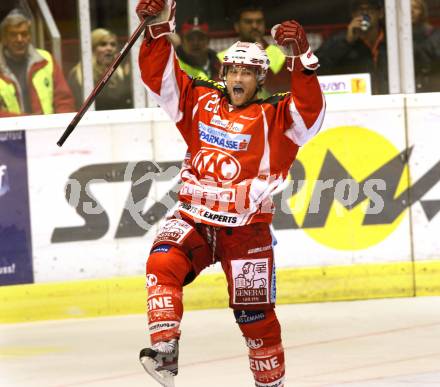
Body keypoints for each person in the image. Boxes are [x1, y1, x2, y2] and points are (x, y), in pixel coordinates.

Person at [135, 0, 325, 386]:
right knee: (162, 263)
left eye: (247, 72)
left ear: (261, 77)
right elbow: (161, 80)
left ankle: (270, 383)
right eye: (232, 69)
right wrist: (156, 28)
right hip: (195, 219)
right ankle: (165, 350)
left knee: (254, 317)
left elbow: (311, 115)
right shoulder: (202, 100)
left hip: (247, 231)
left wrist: (301, 59)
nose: (238, 76)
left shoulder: (277, 115)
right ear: (223, 72)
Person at [0, 9, 75, 117]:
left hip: (47, 130)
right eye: (13, 34)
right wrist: (27, 121)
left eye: (24, 34)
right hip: (12, 132)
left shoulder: (45, 59)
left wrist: (61, 125)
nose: (20, 39)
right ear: (4, 38)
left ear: (30, 36)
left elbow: (64, 100)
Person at [316, 0, 388, 94]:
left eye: (370, 9)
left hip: (390, 101)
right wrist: (346, 42)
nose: (365, 13)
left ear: (380, 13)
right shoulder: (341, 40)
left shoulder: (392, 40)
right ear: (353, 14)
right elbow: (315, 69)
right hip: (357, 102)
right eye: (360, 10)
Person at [218, 3, 289, 97]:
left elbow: (282, 90)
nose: (255, 26)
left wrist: (260, 53)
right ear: (237, 26)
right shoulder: (223, 57)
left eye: (259, 22)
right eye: (248, 22)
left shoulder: (280, 54)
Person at [68, 28, 132, 111]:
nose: (109, 48)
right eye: (103, 44)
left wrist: (127, 76)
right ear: (92, 48)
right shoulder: (79, 74)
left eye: (113, 44)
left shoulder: (122, 73)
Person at [173, 16, 221, 81]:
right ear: (182, 41)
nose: (195, 43)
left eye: (201, 38)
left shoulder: (220, 64)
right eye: (190, 38)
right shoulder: (175, 68)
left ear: (208, 40)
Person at [411, 0, 440, 92]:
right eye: (408, 8)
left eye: (416, 8)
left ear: (422, 12)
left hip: (432, 86)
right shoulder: (396, 38)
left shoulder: (435, 35)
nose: (411, 11)